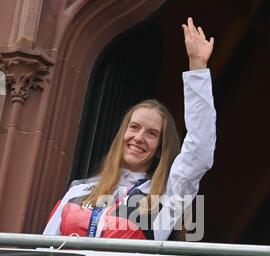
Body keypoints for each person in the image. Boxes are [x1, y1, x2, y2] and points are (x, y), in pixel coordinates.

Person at [43, 17, 216, 241]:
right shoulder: (79, 191)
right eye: (134, 127)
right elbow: (44, 250)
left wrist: (197, 68)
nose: (139, 137)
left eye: (152, 133)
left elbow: (199, 152)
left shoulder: (167, 197)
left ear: (161, 148)